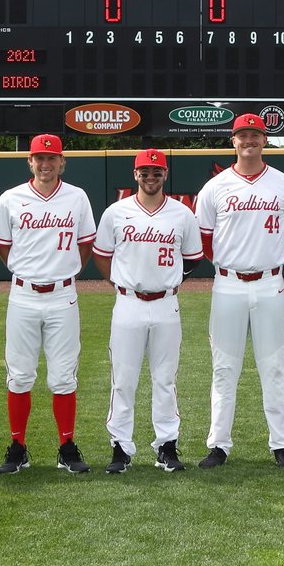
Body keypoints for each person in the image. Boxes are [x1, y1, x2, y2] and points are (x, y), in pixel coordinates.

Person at [195, 113, 284, 469]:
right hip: (228, 284)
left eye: (256, 134)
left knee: (273, 367)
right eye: (243, 135)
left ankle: (282, 444)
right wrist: (232, 266)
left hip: (271, 283)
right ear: (234, 140)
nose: (249, 141)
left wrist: (265, 261)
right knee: (224, 368)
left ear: (264, 139)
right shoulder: (216, 186)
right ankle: (219, 444)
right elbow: (205, 241)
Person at [92, 149, 203, 474]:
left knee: (165, 380)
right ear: (135, 174)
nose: (150, 177)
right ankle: (120, 448)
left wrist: (167, 280)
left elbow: (193, 258)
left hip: (167, 303)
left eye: (156, 172)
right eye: (145, 172)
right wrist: (122, 281)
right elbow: (102, 255)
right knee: (123, 380)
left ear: (165, 175)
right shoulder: (116, 212)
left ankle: (166, 446)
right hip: (128, 303)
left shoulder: (182, 214)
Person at [0, 134, 97, 474]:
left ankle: (66, 445)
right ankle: (17, 445)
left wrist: (63, 272)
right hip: (22, 293)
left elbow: (84, 247)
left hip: (63, 294)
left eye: (52, 158)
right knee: (20, 376)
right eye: (39, 157)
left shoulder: (77, 197)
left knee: (64, 377)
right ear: (30, 161)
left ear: (62, 162)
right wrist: (28, 271)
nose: (46, 163)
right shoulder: (11, 198)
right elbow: (4, 248)